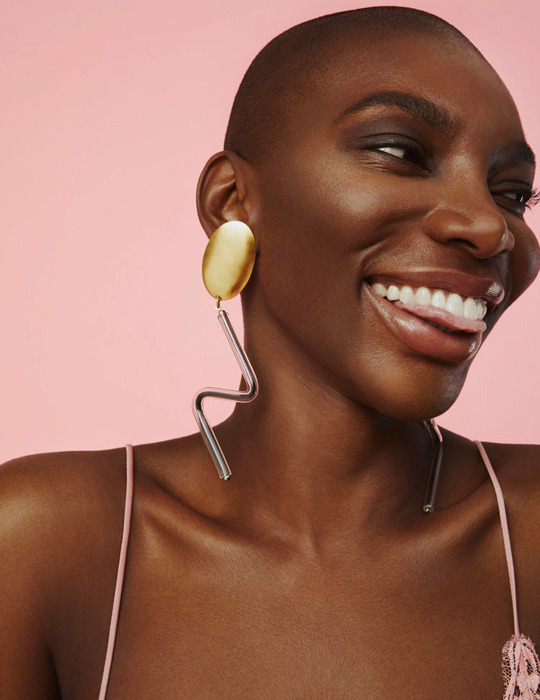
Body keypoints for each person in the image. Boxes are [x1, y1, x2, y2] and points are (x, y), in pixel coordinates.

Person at [1, 6, 539, 698]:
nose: (488, 227)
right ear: (231, 203)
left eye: (513, 194)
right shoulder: (47, 544)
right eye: (401, 153)